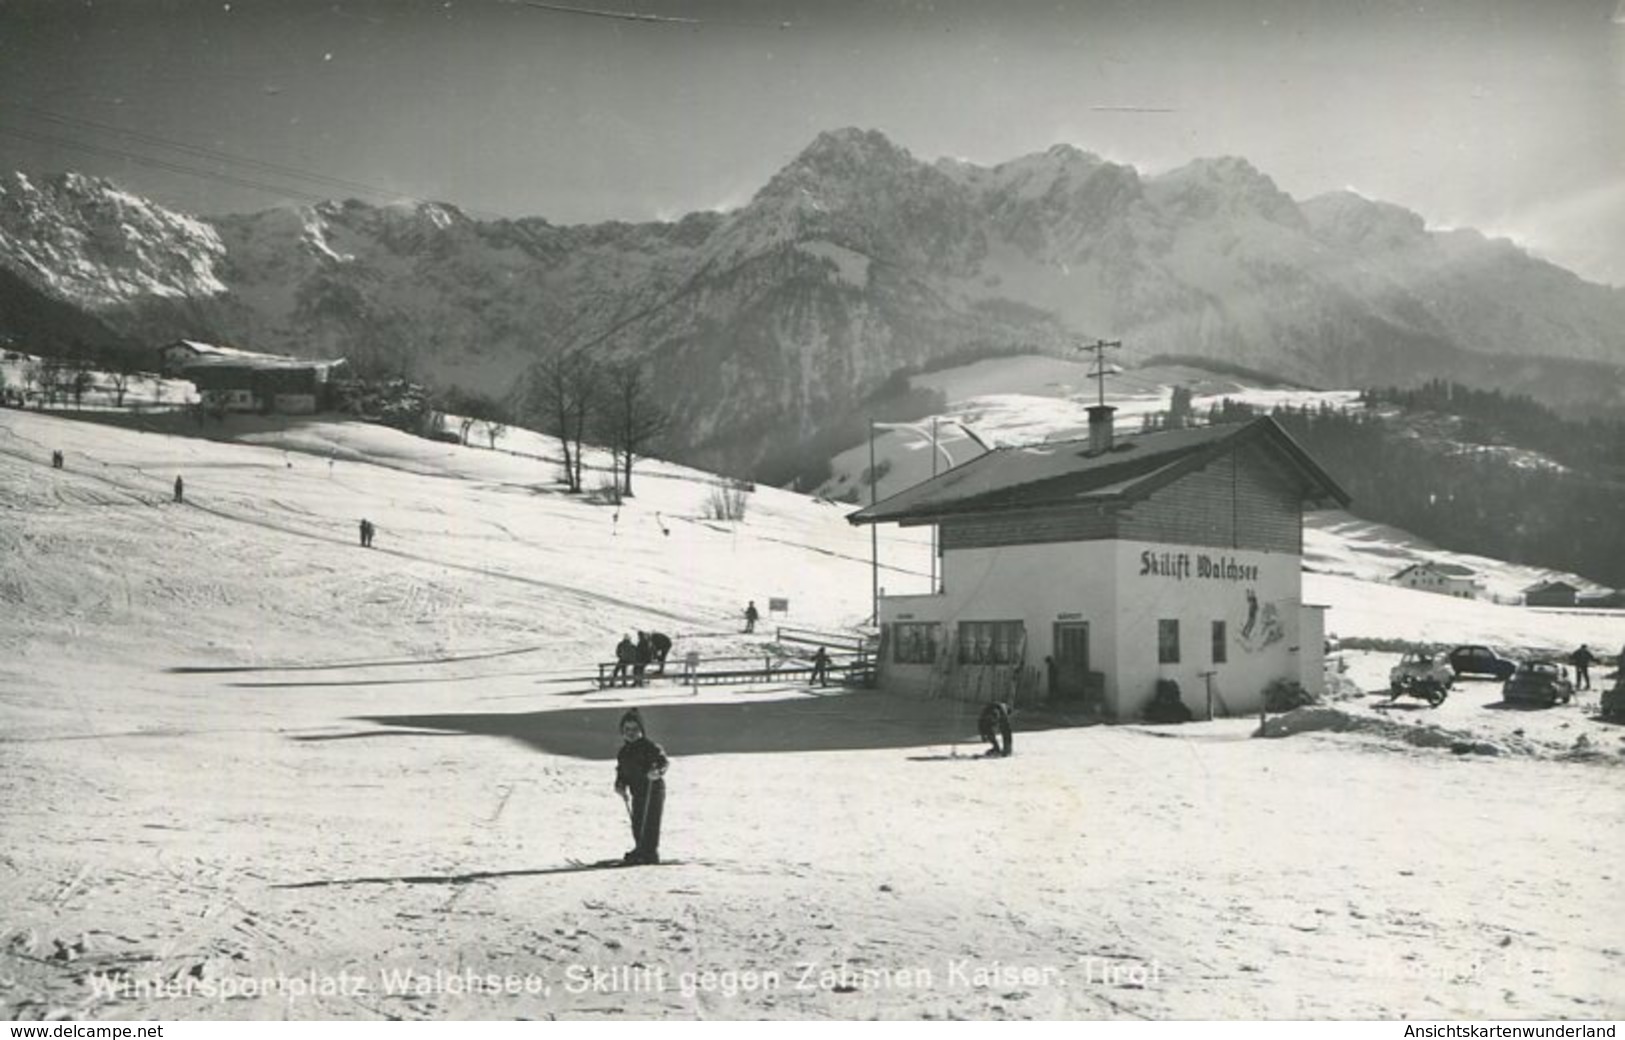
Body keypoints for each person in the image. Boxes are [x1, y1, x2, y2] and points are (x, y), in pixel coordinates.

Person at [613, 709, 668, 865]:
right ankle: (640, 848)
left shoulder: (650, 747)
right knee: (637, 821)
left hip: (653, 790)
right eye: (627, 730)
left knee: (650, 821)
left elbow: (662, 761)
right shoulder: (623, 752)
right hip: (637, 791)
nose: (631, 733)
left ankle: (650, 852)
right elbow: (621, 772)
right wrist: (620, 785)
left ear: (641, 730)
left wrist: (657, 771)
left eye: (635, 729)